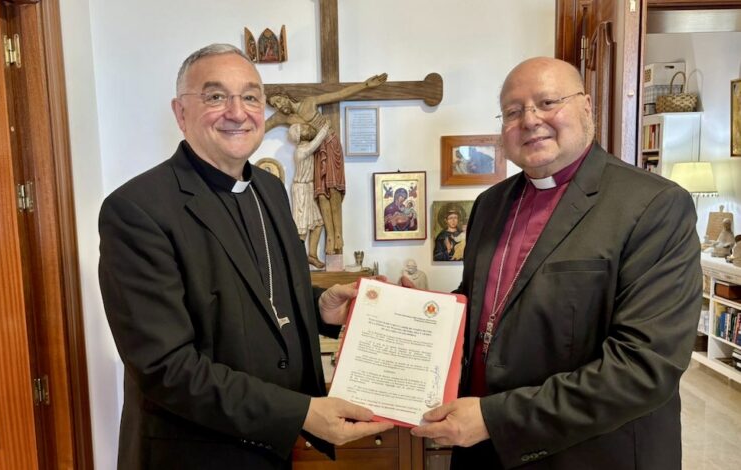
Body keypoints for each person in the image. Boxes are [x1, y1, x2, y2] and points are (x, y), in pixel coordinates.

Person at [98, 43, 391, 470]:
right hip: (193, 455)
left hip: (269, 449)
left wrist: (318, 308)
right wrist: (301, 412)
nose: (238, 112)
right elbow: (166, 367)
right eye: (216, 96)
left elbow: (257, 294)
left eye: (251, 96)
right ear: (180, 113)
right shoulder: (137, 209)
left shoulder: (268, 190)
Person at [410, 57, 702, 470]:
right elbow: (483, 308)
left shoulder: (653, 205)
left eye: (547, 102)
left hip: (588, 454)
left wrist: (496, 418)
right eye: (513, 111)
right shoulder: (489, 204)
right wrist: (411, 313)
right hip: (483, 452)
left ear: (586, 107)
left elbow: (644, 368)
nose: (529, 120)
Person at [265, 73, 387, 255]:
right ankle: (330, 236)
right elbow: (261, 128)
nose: (279, 106)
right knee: (321, 194)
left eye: (279, 101)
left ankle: (338, 235)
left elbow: (339, 95)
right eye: (275, 105)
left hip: (330, 144)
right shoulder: (282, 118)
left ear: (286, 96)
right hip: (313, 153)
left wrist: (365, 85)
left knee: (333, 189)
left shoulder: (309, 103)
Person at [288, 122, 329, 269]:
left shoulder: (306, 148)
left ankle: (311, 255)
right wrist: (324, 129)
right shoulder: (301, 150)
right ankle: (297, 259)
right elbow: (315, 144)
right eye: (303, 128)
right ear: (299, 136)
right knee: (301, 226)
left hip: (309, 188)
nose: (307, 128)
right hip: (300, 190)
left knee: (318, 223)